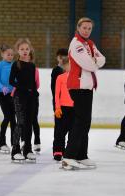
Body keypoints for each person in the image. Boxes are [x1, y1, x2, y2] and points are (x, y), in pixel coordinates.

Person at [62, 17, 106, 170]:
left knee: (85, 122)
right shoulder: (76, 44)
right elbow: (89, 64)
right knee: (80, 122)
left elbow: (103, 59)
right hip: (78, 86)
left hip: (87, 87)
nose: (87, 30)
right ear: (78, 28)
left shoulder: (90, 44)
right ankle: (68, 156)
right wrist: (94, 61)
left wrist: (94, 60)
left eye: (89, 28)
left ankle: (81, 155)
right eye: (84, 28)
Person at [9, 38, 38, 162]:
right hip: (19, 97)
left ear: (30, 50)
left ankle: (27, 149)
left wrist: (34, 92)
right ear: (18, 51)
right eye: (22, 49)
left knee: (29, 123)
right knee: (20, 122)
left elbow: (33, 82)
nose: (25, 51)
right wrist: (23, 88)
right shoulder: (16, 64)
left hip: (32, 97)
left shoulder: (32, 65)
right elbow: (11, 81)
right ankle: (15, 150)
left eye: (27, 49)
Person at [0, 44, 16, 153]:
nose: (10, 56)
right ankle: (1, 142)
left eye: (12, 55)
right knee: (7, 117)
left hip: (12, 94)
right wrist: (2, 87)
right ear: (2, 54)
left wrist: (14, 88)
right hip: (2, 94)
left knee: (14, 119)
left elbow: (16, 79)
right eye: (8, 54)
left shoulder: (14, 65)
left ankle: (14, 143)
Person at [53, 57, 74, 161]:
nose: (71, 66)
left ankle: (68, 150)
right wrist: (57, 107)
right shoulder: (60, 77)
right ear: (64, 66)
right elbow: (57, 94)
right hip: (63, 108)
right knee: (61, 131)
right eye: (69, 64)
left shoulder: (77, 77)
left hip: (74, 108)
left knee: (72, 131)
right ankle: (58, 150)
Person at [51, 48, 68, 157]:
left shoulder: (70, 70)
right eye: (60, 57)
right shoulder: (56, 70)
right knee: (59, 126)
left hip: (69, 103)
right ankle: (57, 149)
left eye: (64, 57)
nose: (62, 59)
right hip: (58, 103)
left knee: (68, 125)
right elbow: (54, 88)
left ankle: (64, 148)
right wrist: (57, 102)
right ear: (57, 58)